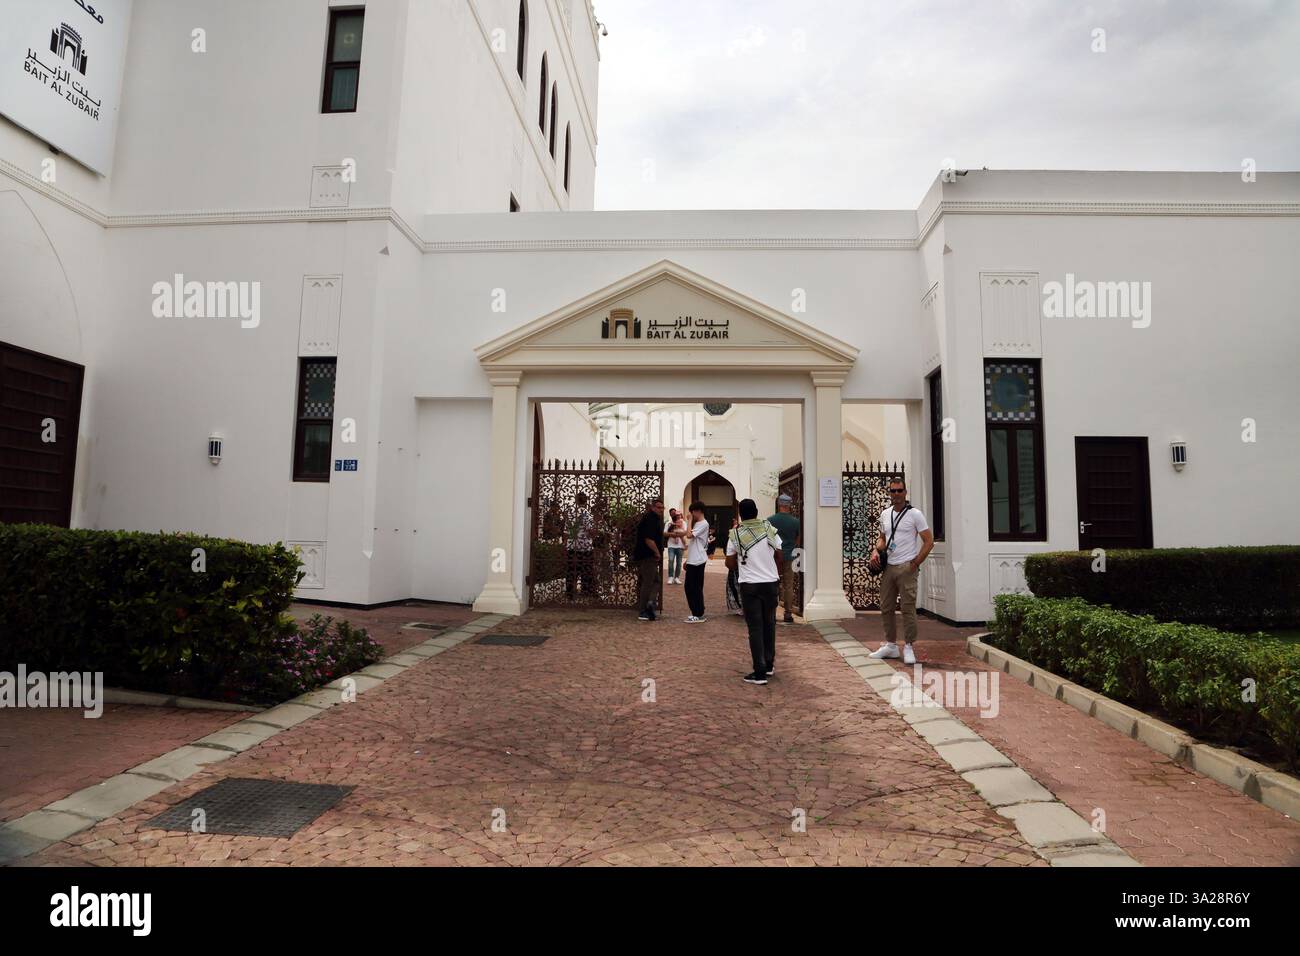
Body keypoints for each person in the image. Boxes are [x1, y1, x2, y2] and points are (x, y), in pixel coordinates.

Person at [867, 477, 934, 665]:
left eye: (899, 491)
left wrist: (915, 563)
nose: (896, 494)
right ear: (889, 493)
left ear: (905, 492)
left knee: (907, 608)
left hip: (907, 566)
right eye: (893, 491)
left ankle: (909, 646)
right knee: (886, 607)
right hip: (889, 567)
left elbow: (929, 541)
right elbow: (882, 538)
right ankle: (891, 645)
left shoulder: (915, 515)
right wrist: (875, 550)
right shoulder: (885, 514)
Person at [726, 498, 783, 685]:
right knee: (770, 624)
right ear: (757, 511)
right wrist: (774, 571)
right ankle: (769, 665)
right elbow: (779, 554)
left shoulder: (735, 534)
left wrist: (743, 565)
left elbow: (729, 562)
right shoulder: (769, 529)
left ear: (740, 514)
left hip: (749, 584)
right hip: (770, 583)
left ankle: (758, 672)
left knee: (755, 628)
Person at [767, 493, 801, 625]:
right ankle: (788, 613)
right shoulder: (795, 521)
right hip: (789, 555)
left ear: (779, 504)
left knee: (773, 584)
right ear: (789, 505)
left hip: (774, 556)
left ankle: (772, 612)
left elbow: (768, 539)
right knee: (788, 585)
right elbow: (798, 539)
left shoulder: (770, 520)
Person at [632, 498, 666, 621]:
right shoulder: (650, 519)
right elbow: (648, 539)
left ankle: (650, 603)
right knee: (649, 582)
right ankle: (643, 610)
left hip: (646, 555)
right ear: (652, 507)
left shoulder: (653, 519)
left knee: (655, 581)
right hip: (647, 556)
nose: (661, 510)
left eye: (662, 508)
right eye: (658, 507)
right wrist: (657, 553)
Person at [681, 501, 710, 622]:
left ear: (698, 511)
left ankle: (697, 613)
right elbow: (695, 543)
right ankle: (698, 611)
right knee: (693, 586)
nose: (691, 514)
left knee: (692, 587)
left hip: (697, 560)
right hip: (695, 559)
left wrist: (688, 521)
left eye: (692, 512)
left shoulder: (703, 523)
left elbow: (689, 535)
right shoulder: (700, 524)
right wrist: (688, 559)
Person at [566, 491, 595, 601]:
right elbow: (590, 531)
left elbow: (566, 532)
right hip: (585, 547)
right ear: (586, 501)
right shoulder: (587, 514)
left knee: (571, 571)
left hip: (571, 546)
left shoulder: (570, 513)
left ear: (576, 500)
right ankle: (585, 592)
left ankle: (569, 593)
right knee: (585, 571)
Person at [724, 512, 744, 614]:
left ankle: (741, 606)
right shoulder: (735, 530)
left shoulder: (736, 532)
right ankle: (740, 605)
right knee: (734, 585)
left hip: (738, 564)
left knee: (736, 585)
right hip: (736, 563)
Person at [664, 508, 686, 584]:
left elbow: (685, 532)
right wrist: (673, 534)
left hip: (680, 545)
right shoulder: (668, 523)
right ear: (670, 514)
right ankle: (670, 577)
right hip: (671, 545)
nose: (674, 514)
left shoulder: (683, 522)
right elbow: (664, 533)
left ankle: (677, 577)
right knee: (670, 560)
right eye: (672, 513)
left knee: (679, 562)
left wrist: (678, 534)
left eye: (675, 513)